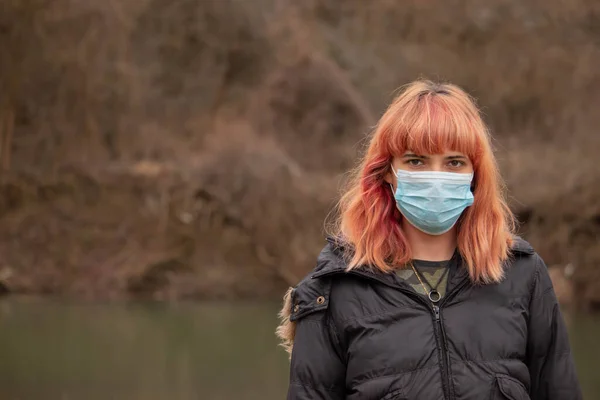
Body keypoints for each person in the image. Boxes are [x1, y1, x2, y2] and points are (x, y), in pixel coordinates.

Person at [276, 80, 581, 400]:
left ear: (475, 173)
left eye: (454, 162)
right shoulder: (332, 290)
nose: (437, 178)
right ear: (388, 171)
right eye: (416, 161)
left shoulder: (524, 276)